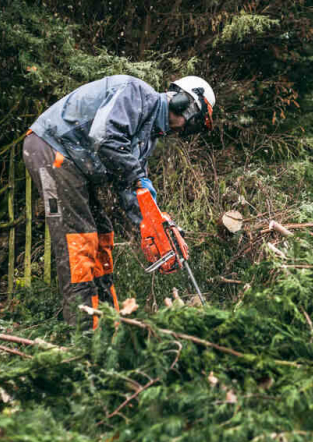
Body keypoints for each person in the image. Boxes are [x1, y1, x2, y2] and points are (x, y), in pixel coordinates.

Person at [22, 75, 215, 328]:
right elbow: (105, 138)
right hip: (52, 148)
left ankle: (108, 325)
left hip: (77, 164)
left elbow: (129, 187)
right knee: (79, 240)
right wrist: (137, 177)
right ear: (182, 103)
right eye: (190, 124)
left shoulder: (147, 138)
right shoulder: (135, 94)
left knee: (102, 236)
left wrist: (154, 224)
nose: (183, 131)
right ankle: (85, 334)